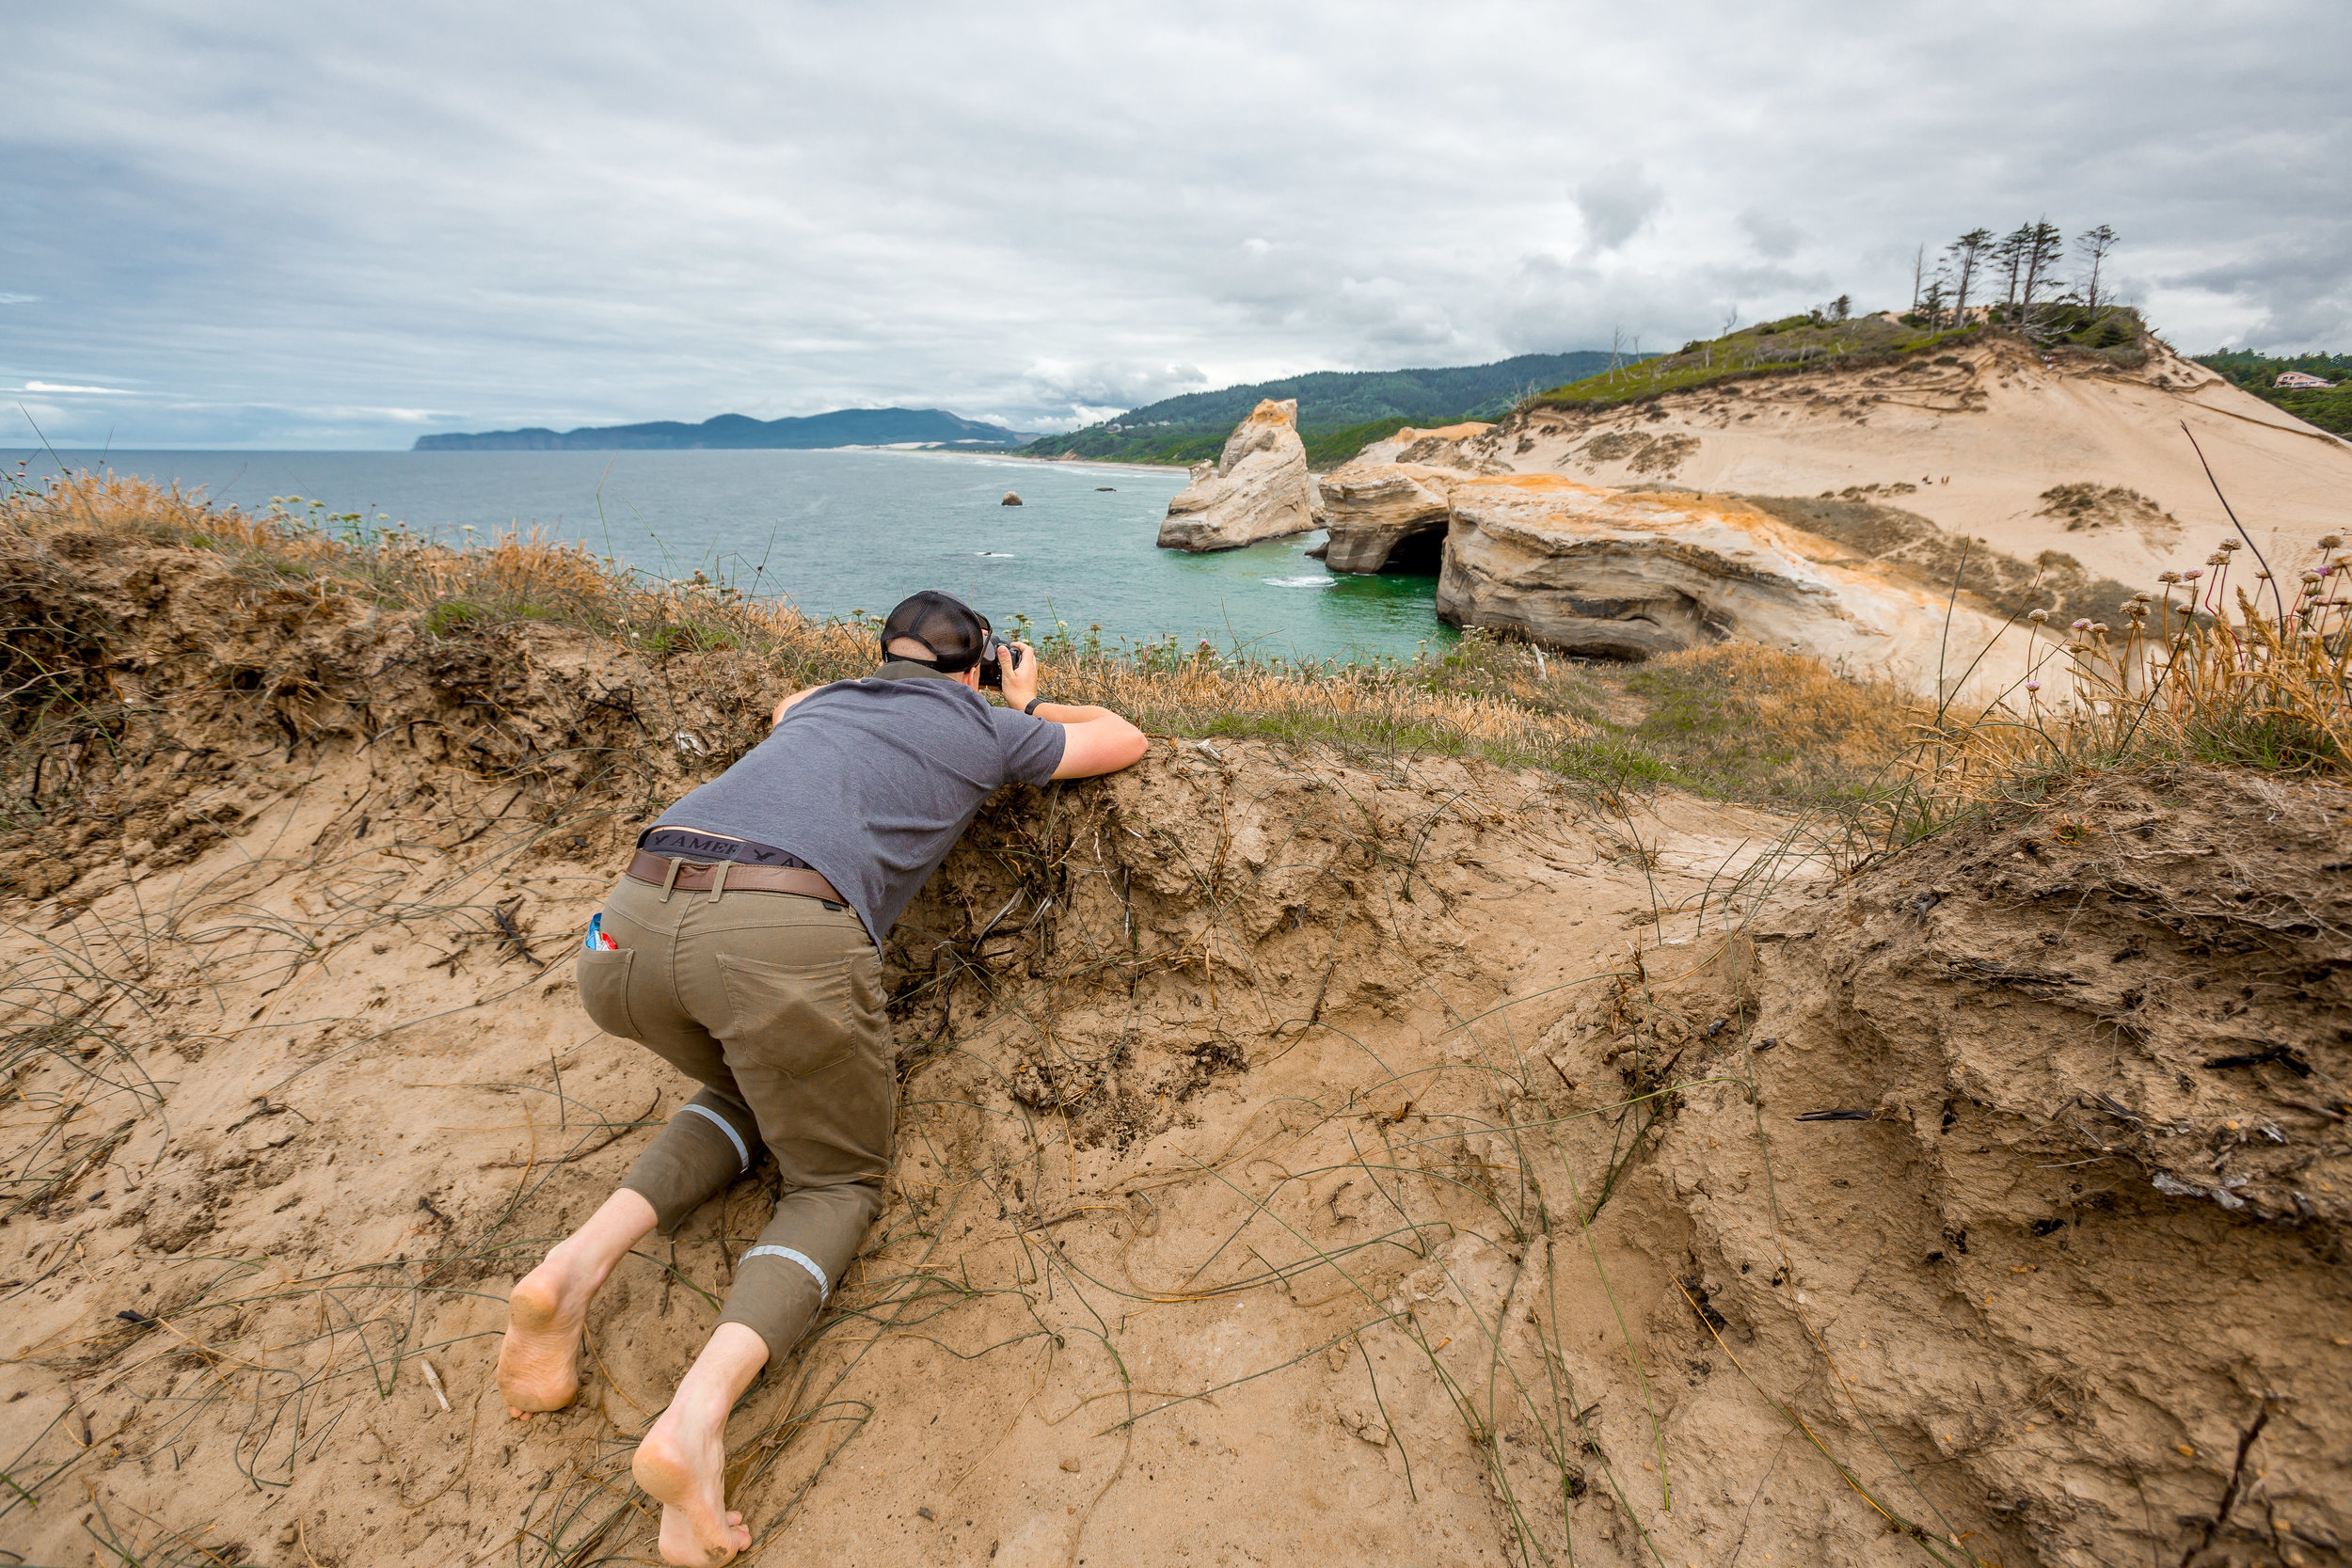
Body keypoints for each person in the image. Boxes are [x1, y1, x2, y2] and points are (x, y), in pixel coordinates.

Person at [495, 591, 1149, 1565]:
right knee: (836, 1181)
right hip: (773, 934)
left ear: (882, 655)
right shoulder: (985, 723)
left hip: (620, 926)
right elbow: (1122, 738)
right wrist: (1017, 702)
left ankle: (569, 1271)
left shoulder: (825, 700)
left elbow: (789, 705)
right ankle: (694, 1419)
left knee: (752, 1090)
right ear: (976, 666)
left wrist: (926, 685)